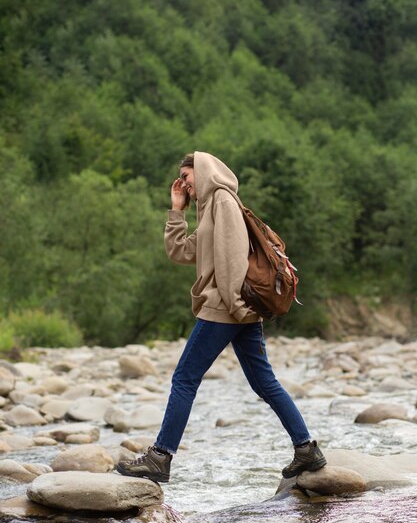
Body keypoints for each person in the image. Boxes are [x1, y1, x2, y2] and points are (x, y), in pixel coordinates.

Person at [117, 151, 326, 483]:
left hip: (227, 309)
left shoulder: (223, 202)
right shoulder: (209, 207)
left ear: (203, 171)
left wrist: (235, 306)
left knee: (184, 379)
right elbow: (180, 251)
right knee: (264, 382)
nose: (183, 184)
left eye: (186, 177)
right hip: (238, 310)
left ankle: (160, 458)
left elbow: (232, 261)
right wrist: (176, 210)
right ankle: (306, 449)